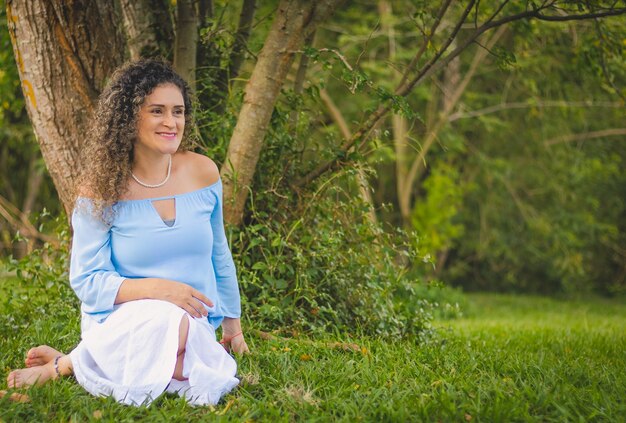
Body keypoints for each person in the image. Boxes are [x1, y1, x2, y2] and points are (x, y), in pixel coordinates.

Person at [6, 58, 249, 406]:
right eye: (157, 111)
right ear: (129, 117)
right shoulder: (101, 189)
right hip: (122, 321)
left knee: (186, 355)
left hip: (191, 323)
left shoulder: (203, 173)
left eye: (178, 111)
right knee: (175, 343)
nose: (171, 122)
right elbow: (87, 280)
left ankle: (82, 361)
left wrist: (232, 326)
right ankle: (63, 366)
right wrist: (160, 291)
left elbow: (219, 254)